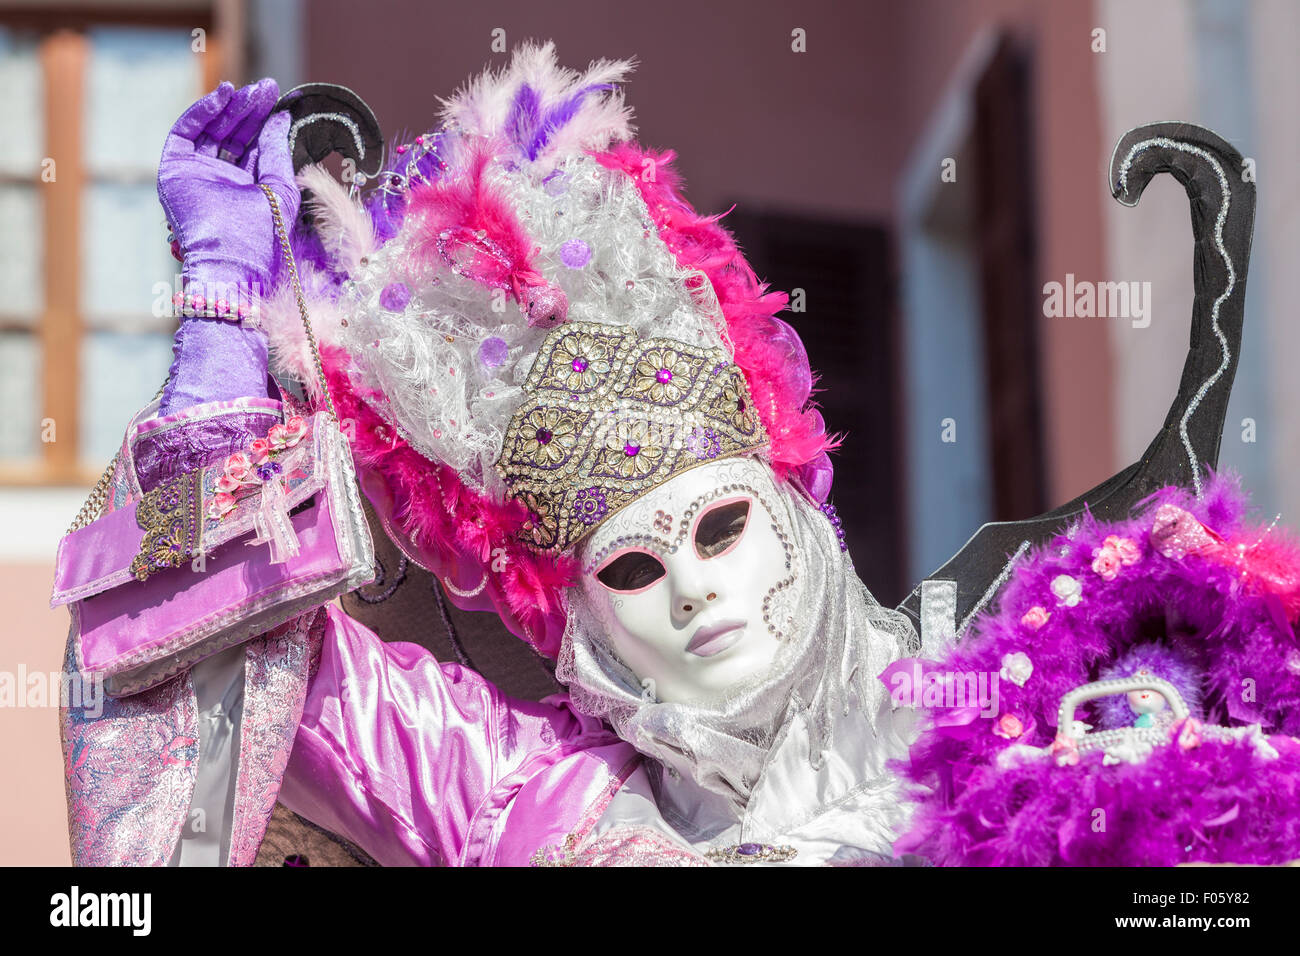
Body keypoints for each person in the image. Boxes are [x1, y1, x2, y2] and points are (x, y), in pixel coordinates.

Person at [59, 43, 919, 867]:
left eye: (723, 526)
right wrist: (225, 319)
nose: (694, 591)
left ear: (795, 515)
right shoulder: (529, 802)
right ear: (579, 620)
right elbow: (218, 646)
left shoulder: (1013, 703)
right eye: (631, 569)